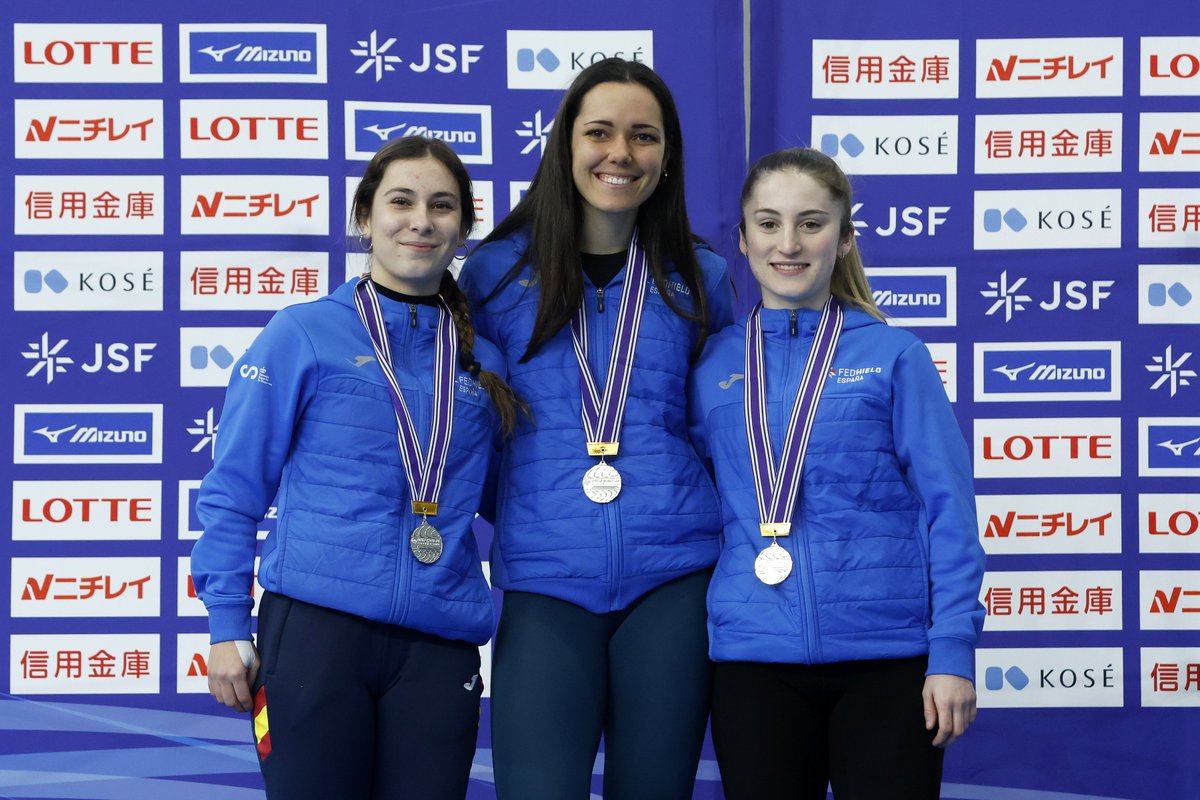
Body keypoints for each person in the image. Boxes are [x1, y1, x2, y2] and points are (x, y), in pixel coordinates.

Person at [191, 136, 524, 800]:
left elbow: (503, 495)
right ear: (366, 218)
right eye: (401, 202)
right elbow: (234, 489)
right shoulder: (303, 332)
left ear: (463, 229)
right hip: (315, 633)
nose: (421, 221)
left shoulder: (483, 361)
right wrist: (226, 623)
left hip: (439, 642)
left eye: (442, 206)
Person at [458, 58, 733, 798]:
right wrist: (532, 506)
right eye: (600, 132)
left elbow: (725, 428)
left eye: (643, 136)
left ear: (666, 154)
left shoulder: (700, 276)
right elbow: (466, 433)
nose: (621, 153)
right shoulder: (495, 275)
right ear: (566, 144)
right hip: (546, 579)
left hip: (674, 579)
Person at [688, 147, 986, 799]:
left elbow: (949, 509)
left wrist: (953, 650)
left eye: (811, 223)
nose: (788, 244)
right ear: (743, 240)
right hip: (753, 661)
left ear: (845, 238)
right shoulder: (711, 364)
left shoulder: (894, 355)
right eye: (768, 223)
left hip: (889, 661)